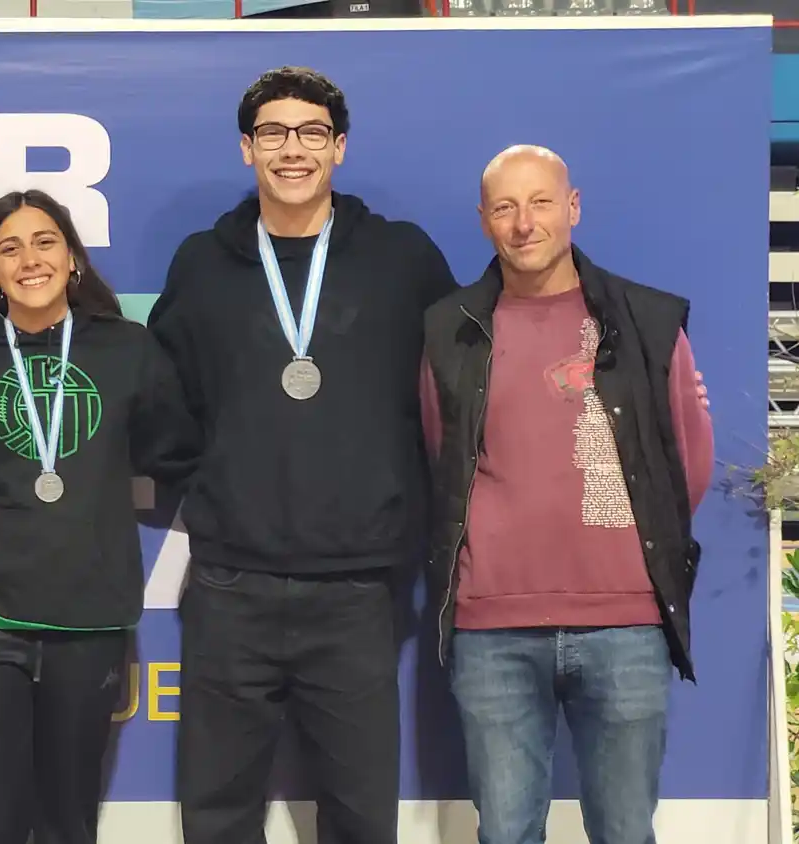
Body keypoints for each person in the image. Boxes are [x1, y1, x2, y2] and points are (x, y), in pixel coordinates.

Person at [147, 66, 460, 844]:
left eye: (312, 133)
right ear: (247, 148)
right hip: (229, 585)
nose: (294, 150)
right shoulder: (202, 263)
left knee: (361, 819)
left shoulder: (402, 259)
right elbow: (161, 402)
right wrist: (220, 489)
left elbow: (459, 392)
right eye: (275, 134)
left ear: (340, 148)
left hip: (357, 590)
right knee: (215, 816)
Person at [419, 144, 715, 844]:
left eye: (541, 202)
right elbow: (443, 456)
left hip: (626, 627)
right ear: (485, 221)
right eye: (506, 207)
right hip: (491, 630)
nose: (525, 223)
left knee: (624, 832)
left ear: (573, 207)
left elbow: (686, 464)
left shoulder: (647, 321)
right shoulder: (449, 329)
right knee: (507, 833)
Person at [0, 189, 202, 844]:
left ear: (72, 256)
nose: (29, 260)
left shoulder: (126, 350)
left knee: (69, 820)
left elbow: (177, 452)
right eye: (9, 249)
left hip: (89, 620)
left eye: (44, 241)